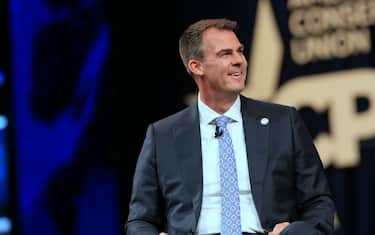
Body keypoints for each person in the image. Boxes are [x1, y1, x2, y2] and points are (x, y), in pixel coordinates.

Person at [125, 18, 334, 235]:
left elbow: (318, 201)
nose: (239, 61)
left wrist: (294, 232)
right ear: (197, 66)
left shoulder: (284, 121)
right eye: (226, 54)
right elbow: (140, 220)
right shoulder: (162, 136)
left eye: (240, 51)